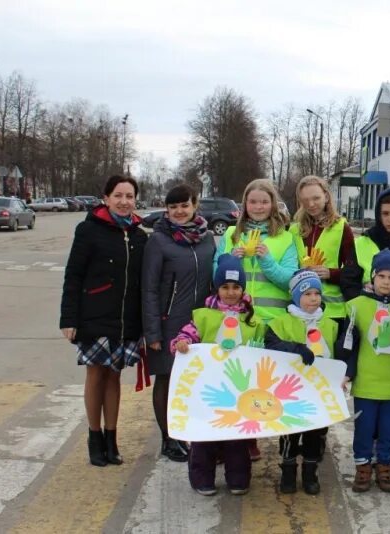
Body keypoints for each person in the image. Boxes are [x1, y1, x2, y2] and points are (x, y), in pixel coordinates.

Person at [60, 175, 147, 467]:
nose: (124, 202)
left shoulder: (139, 235)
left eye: (129, 196)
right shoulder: (88, 230)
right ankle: (94, 437)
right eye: (118, 195)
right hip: (94, 314)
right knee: (95, 375)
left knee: (114, 377)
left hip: (126, 320)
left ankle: (112, 438)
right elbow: (73, 276)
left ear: (136, 200)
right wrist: (68, 318)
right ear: (106, 198)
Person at [171, 255, 269, 496]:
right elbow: (187, 335)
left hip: (240, 389)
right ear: (217, 288)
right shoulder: (203, 315)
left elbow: (266, 347)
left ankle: (238, 479)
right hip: (208, 388)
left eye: (236, 287)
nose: (231, 292)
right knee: (204, 435)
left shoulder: (254, 320)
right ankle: (201, 478)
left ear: (243, 288)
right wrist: (182, 342)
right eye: (225, 287)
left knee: (236, 436)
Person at [142, 184, 215, 462]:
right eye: (173, 207)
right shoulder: (159, 241)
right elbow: (148, 288)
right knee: (167, 378)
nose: (179, 212)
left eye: (184, 205)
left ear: (194, 205)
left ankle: (190, 431)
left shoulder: (207, 238)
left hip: (200, 323)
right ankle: (168, 438)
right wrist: (153, 332)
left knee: (194, 381)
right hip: (168, 321)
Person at [343, 249, 390, 493]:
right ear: (373, 277)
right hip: (366, 383)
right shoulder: (355, 306)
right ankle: (363, 468)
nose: (386, 282)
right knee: (363, 429)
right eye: (382, 276)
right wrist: (347, 373)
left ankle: (385, 467)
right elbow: (349, 346)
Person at [265, 269, 341, 496]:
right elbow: (270, 345)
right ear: (296, 296)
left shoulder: (330, 324)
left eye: (317, 293)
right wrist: (296, 348)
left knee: (315, 433)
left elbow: (338, 354)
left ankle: (310, 472)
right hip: (290, 391)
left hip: (319, 391)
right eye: (307, 293)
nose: (314, 298)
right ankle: (288, 471)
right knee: (290, 432)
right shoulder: (281, 322)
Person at [215, 178, 297, 323]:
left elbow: (290, 281)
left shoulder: (286, 238)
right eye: (253, 202)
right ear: (245, 204)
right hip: (235, 318)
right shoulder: (230, 234)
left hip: (273, 321)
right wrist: (231, 263)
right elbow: (216, 278)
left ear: (272, 205)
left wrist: (268, 262)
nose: (258, 207)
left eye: (264, 202)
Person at [290, 175, 358, 320]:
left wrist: (331, 273)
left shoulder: (341, 228)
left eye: (316, 198)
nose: (311, 204)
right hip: (300, 310)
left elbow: (354, 271)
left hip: (331, 311)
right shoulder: (294, 230)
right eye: (305, 200)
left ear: (326, 197)